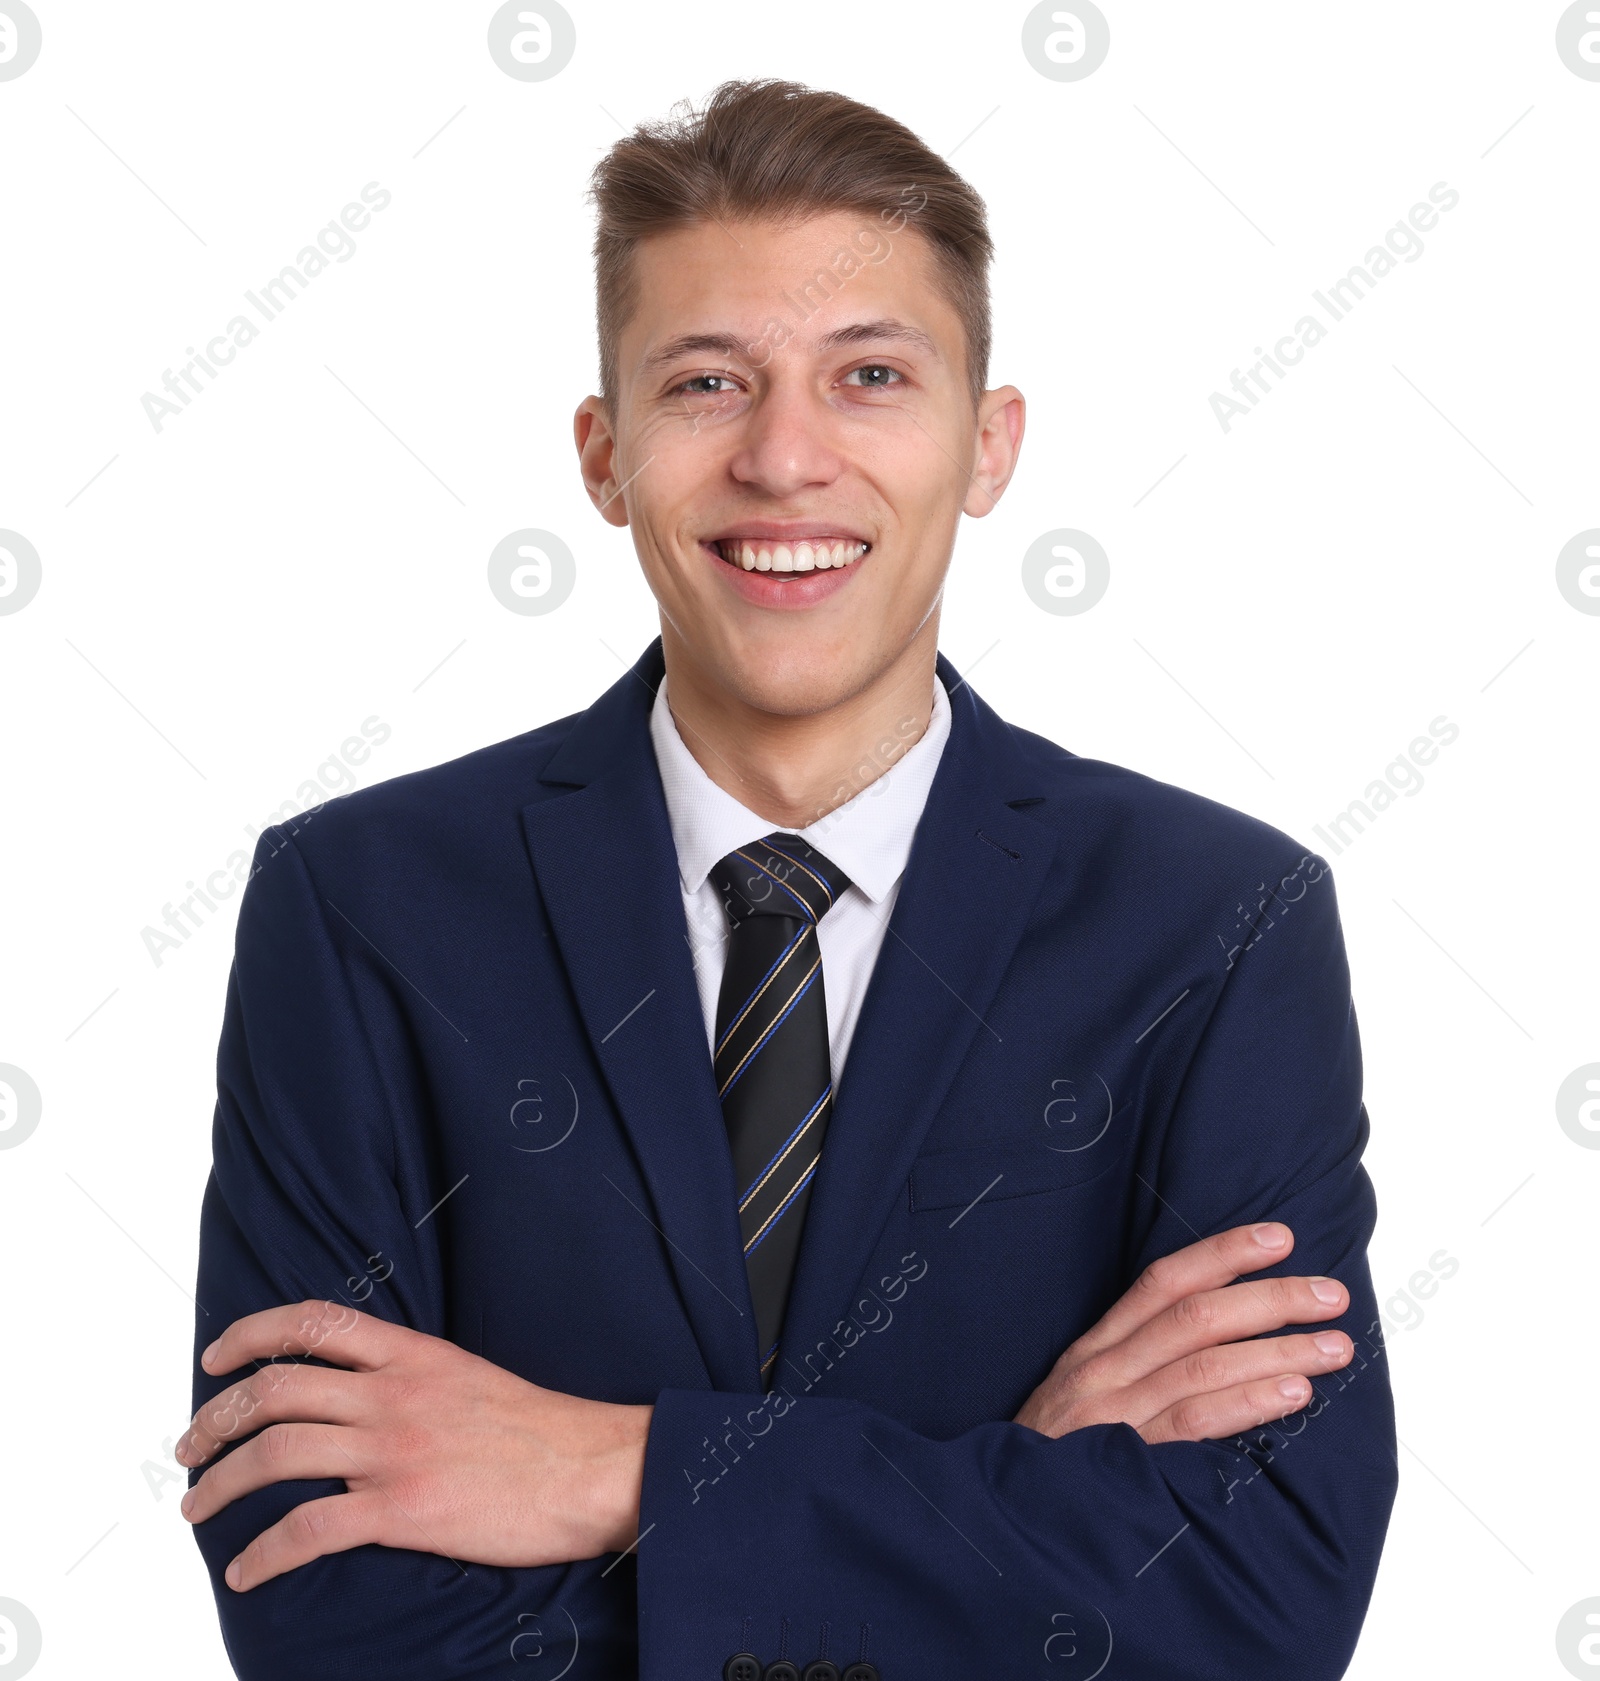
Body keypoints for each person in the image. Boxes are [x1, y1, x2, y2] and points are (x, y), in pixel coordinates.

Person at [179, 79, 1396, 1681]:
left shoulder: (1221, 924)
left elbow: (1257, 1600)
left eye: (871, 376)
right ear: (606, 458)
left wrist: (611, 1470)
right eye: (706, 383)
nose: (784, 458)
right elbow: (315, 1593)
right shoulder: (358, 910)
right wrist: (1006, 1489)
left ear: (989, 443)